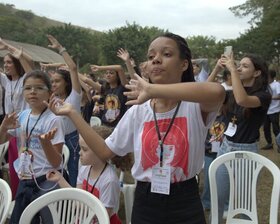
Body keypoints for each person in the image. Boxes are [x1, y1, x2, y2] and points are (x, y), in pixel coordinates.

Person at [46, 32, 225, 224]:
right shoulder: (138, 111)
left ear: (184, 64)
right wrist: (73, 114)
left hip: (185, 199)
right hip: (146, 201)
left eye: (166, 54)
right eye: (150, 56)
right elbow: (105, 151)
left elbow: (217, 91)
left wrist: (152, 90)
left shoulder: (195, 105)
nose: (156, 60)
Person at [210, 52, 271, 223]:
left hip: (247, 151)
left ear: (257, 72)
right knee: (218, 197)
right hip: (225, 147)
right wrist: (216, 68)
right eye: (239, 65)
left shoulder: (263, 95)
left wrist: (233, 72)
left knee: (245, 203)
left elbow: (243, 100)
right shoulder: (231, 92)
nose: (238, 68)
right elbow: (206, 91)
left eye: (245, 66)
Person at [0, 70, 65, 223]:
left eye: (39, 88)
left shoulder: (54, 120)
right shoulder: (23, 115)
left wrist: (45, 143)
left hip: (47, 181)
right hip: (26, 179)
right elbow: (1, 140)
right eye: (28, 88)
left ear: (50, 92)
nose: (33, 92)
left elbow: (56, 162)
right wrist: (3, 128)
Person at [47, 125, 122, 224]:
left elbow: (103, 216)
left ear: (99, 152)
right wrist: (60, 179)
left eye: (84, 149)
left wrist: (79, 205)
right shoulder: (85, 169)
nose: (79, 153)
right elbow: (78, 195)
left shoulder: (109, 180)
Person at [0, 38, 34, 199]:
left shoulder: (24, 81)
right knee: (15, 171)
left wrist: (8, 46)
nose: (5, 65)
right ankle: (16, 200)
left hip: (27, 132)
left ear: (17, 64)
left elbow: (31, 68)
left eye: (9, 62)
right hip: (13, 133)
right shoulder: (6, 81)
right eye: (4, 62)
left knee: (28, 171)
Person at [47, 34, 82, 187]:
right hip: (56, 139)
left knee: (73, 173)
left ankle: (75, 202)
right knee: (57, 172)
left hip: (72, 140)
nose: (53, 84)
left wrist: (61, 49)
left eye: (57, 81)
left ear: (66, 83)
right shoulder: (52, 99)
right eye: (52, 81)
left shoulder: (74, 96)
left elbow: (73, 68)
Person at [80, 63, 128, 127]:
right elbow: (86, 80)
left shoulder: (123, 88)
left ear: (118, 76)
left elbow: (119, 67)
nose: (108, 75)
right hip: (105, 125)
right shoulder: (105, 89)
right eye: (106, 73)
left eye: (111, 73)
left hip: (118, 126)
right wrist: (71, 70)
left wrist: (100, 68)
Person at [261, 69, 280, 151]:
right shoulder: (265, 85)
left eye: (267, 76)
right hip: (266, 111)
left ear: (271, 77)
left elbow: (279, 96)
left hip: (274, 110)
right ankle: (269, 144)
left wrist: (268, 98)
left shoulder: (276, 84)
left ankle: (279, 144)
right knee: (266, 128)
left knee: (276, 129)